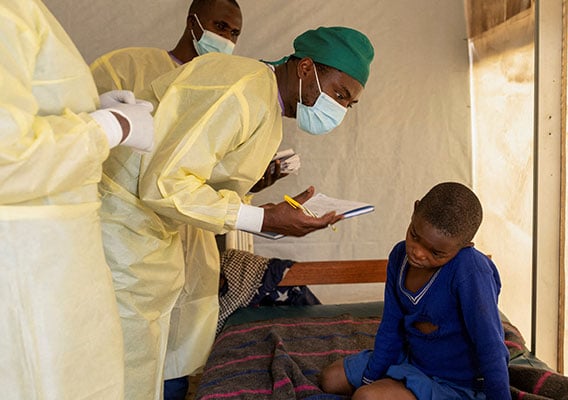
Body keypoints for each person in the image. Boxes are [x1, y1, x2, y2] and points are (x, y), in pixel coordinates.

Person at [96, 26, 374, 400]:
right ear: (306, 68)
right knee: (117, 366)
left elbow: (207, 185)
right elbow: (166, 183)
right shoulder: (243, 89)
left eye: (349, 103)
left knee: (148, 359)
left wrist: (273, 214)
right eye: (339, 95)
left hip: (150, 234)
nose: (339, 110)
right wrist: (262, 219)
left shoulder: (267, 107)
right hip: (121, 230)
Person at [0, 0, 154, 399]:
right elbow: (4, 157)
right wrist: (108, 127)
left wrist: (88, 108)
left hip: (50, 262)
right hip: (27, 270)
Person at [90, 2, 245, 397]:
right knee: (121, 352)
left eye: (234, 33)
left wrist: (256, 184)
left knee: (175, 354)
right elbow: (81, 136)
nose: (226, 39)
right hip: (123, 239)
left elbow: (206, 182)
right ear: (193, 21)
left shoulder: (223, 91)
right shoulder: (128, 66)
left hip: (189, 243)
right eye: (220, 26)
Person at [319, 182, 511, 399]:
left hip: (455, 383)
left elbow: (491, 346)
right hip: (412, 359)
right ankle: (394, 383)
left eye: (436, 253)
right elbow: (391, 326)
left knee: (366, 397)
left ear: (464, 246)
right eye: (415, 236)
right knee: (330, 379)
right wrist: (371, 376)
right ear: (415, 209)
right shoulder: (399, 255)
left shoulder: (470, 270)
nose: (418, 253)